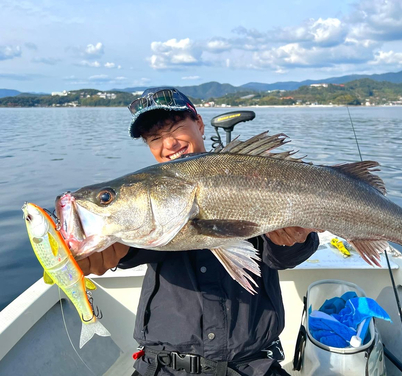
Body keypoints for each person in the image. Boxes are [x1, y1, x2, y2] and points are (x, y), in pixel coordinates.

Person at [78, 87, 319, 376]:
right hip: (162, 366)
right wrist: (97, 251)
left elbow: (281, 258)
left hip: (252, 365)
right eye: (155, 138)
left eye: (176, 128)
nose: (169, 144)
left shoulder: (252, 176)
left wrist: (295, 238)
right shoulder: (149, 195)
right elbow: (127, 247)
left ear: (200, 124)